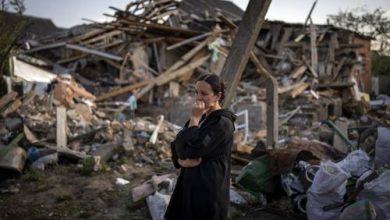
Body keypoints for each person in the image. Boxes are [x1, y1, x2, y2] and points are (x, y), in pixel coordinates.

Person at [164, 74, 236, 220]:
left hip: (208, 191)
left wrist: (194, 120)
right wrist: (180, 161)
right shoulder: (202, 117)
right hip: (189, 186)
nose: (198, 97)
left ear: (217, 96)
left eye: (204, 94)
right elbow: (176, 142)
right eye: (196, 92)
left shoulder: (222, 124)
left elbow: (192, 149)